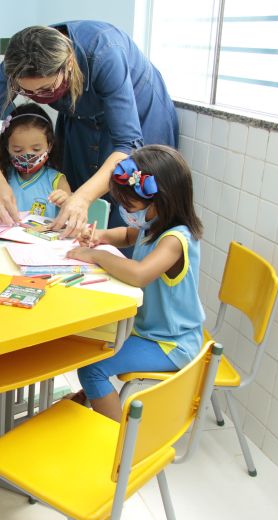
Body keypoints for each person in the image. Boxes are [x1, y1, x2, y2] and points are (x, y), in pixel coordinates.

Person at [0, 22, 178, 234]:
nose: (37, 97)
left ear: (69, 65)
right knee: (72, 203)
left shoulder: (105, 53)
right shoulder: (19, 61)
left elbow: (128, 145)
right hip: (80, 116)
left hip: (139, 116)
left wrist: (83, 198)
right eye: (27, 91)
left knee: (129, 200)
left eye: (46, 89)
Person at [64, 145, 204, 421]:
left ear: (161, 201)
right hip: (148, 331)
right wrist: (100, 236)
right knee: (90, 344)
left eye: (131, 207)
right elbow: (129, 235)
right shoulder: (155, 224)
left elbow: (140, 274)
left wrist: (96, 255)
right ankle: (90, 400)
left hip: (170, 344)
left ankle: (118, 440)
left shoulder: (176, 240)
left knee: (92, 369)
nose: (127, 213)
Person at [0, 103, 70, 218]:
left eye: (36, 149)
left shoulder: (57, 181)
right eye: (18, 150)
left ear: (49, 146)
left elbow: (71, 213)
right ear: (7, 147)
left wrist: (66, 201)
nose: (27, 156)